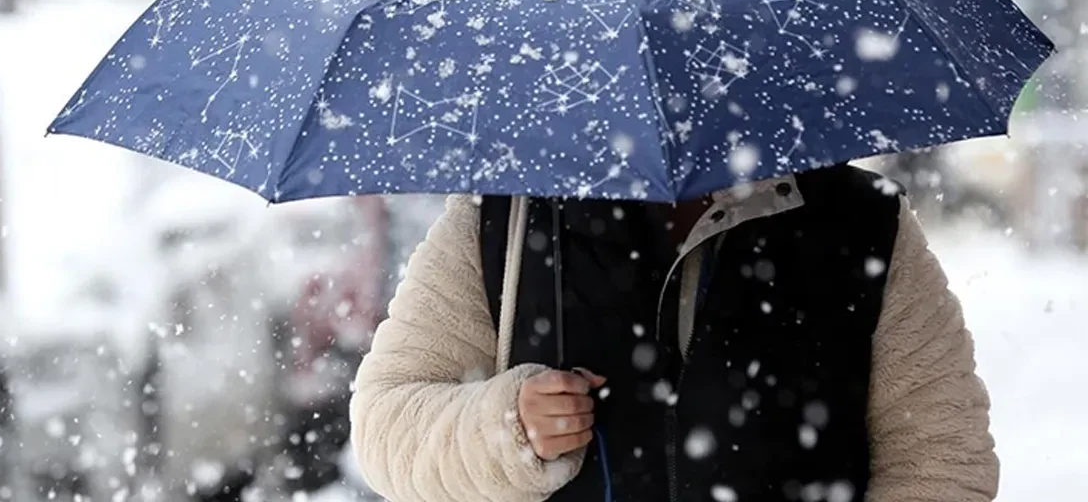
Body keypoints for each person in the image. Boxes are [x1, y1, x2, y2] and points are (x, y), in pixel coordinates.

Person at [350, 165, 997, 502]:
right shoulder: (506, 219)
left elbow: (941, 457)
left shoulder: (858, 222)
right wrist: (506, 427)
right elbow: (386, 426)